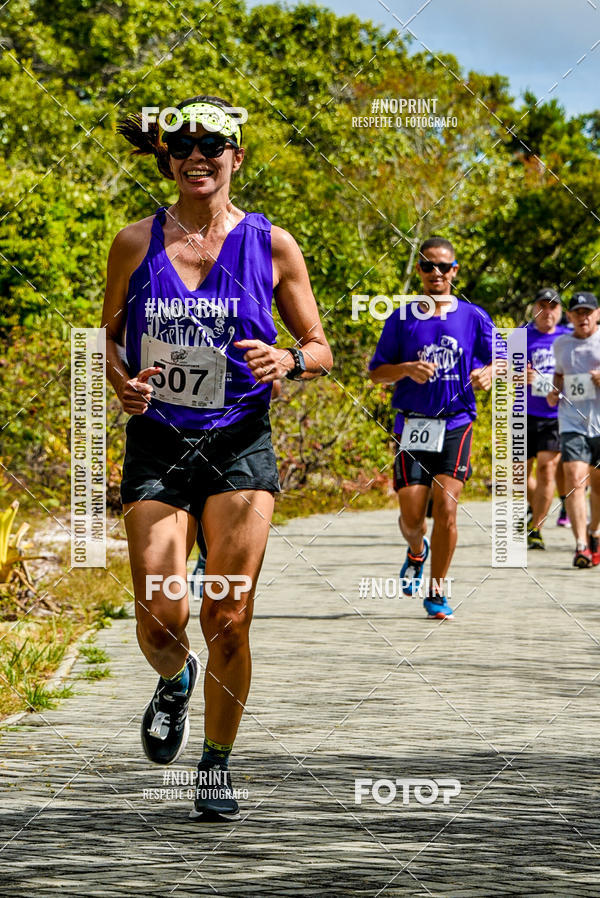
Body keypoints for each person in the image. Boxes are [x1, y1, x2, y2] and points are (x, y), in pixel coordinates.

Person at [102, 95, 332, 820]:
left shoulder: (272, 245)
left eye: (212, 145)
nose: (196, 156)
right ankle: (174, 680)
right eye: (182, 147)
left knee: (228, 615)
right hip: (160, 443)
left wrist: (288, 359)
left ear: (236, 157)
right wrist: (122, 382)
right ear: (168, 161)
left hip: (238, 443)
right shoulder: (134, 243)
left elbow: (321, 347)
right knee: (161, 619)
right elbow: (107, 336)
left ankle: (216, 765)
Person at [368, 236, 498, 620]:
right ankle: (416, 550)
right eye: (428, 266)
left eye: (444, 266)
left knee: (447, 508)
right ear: (420, 271)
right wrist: (405, 369)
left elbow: (505, 359)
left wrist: (490, 371)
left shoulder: (473, 316)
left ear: (455, 271)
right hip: (413, 424)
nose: (436, 273)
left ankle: (437, 590)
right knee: (411, 517)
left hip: (456, 422)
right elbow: (376, 373)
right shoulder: (402, 317)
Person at [548, 292, 600, 568]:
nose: (584, 317)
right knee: (575, 478)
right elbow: (559, 373)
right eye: (578, 312)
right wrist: (554, 391)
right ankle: (580, 545)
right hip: (572, 421)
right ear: (569, 317)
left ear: (598, 313)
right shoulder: (561, 344)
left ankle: (594, 532)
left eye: (588, 312)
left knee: (598, 486)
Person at [525, 288, 569, 550]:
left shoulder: (567, 337)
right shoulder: (521, 337)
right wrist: (516, 376)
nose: (547, 312)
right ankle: (536, 506)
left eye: (553, 307)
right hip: (523, 413)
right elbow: (501, 369)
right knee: (518, 474)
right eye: (543, 306)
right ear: (534, 309)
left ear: (560, 312)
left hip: (555, 415)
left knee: (547, 469)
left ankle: (536, 528)